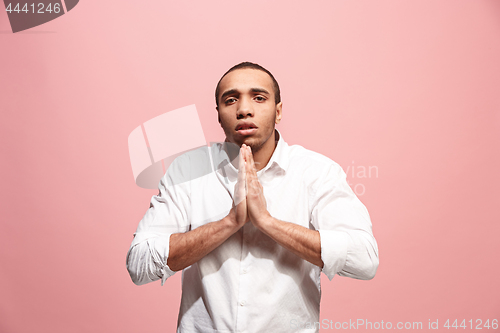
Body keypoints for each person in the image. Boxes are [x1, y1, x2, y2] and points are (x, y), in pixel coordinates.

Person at [126, 62, 379, 333]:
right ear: (219, 115)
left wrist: (268, 223)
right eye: (231, 99)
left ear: (278, 111)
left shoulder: (317, 172)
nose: (244, 109)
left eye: (259, 98)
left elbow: (365, 260)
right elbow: (139, 265)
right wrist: (230, 222)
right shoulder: (187, 171)